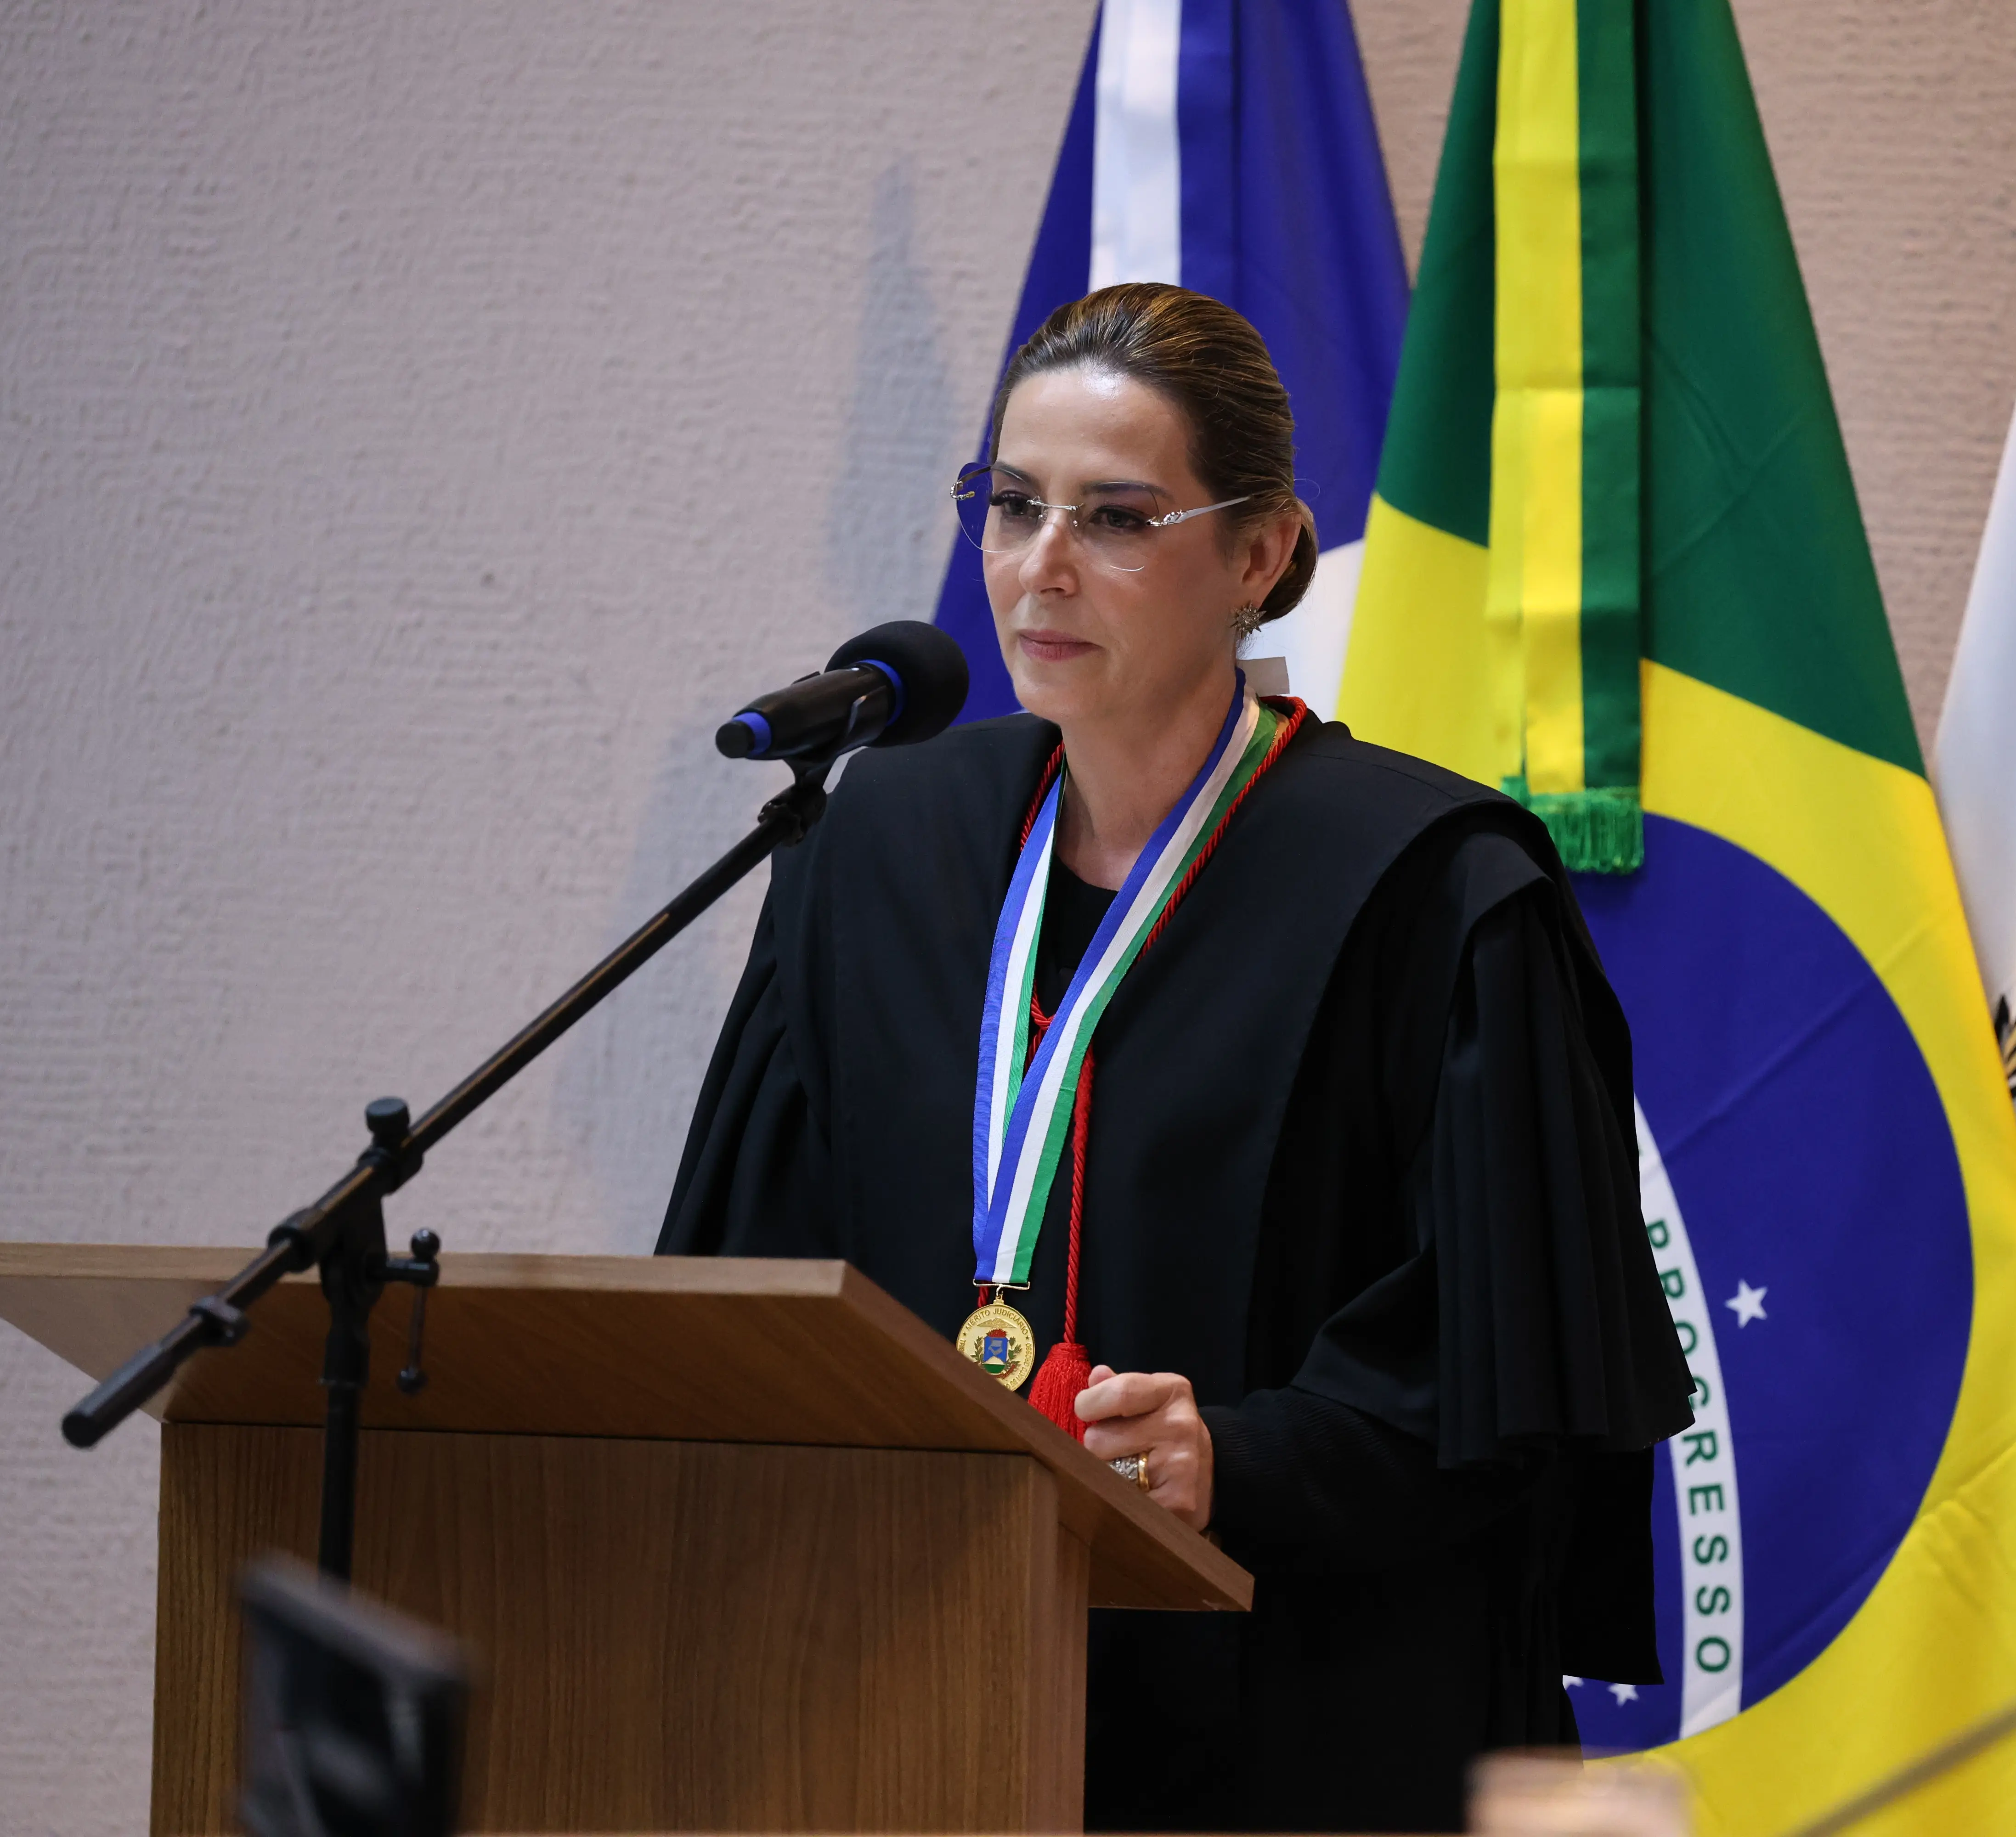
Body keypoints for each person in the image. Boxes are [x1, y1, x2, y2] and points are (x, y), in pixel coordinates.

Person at [657, 282, 1693, 1833]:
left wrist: (1243, 1459)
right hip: (910, 1706)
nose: (1039, 569)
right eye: (1012, 508)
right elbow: (749, 1296)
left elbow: (1511, 1385)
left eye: (1117, 519)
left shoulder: (1434, 887)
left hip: (1301, 1733)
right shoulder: (872, 850)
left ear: (1264, 554)